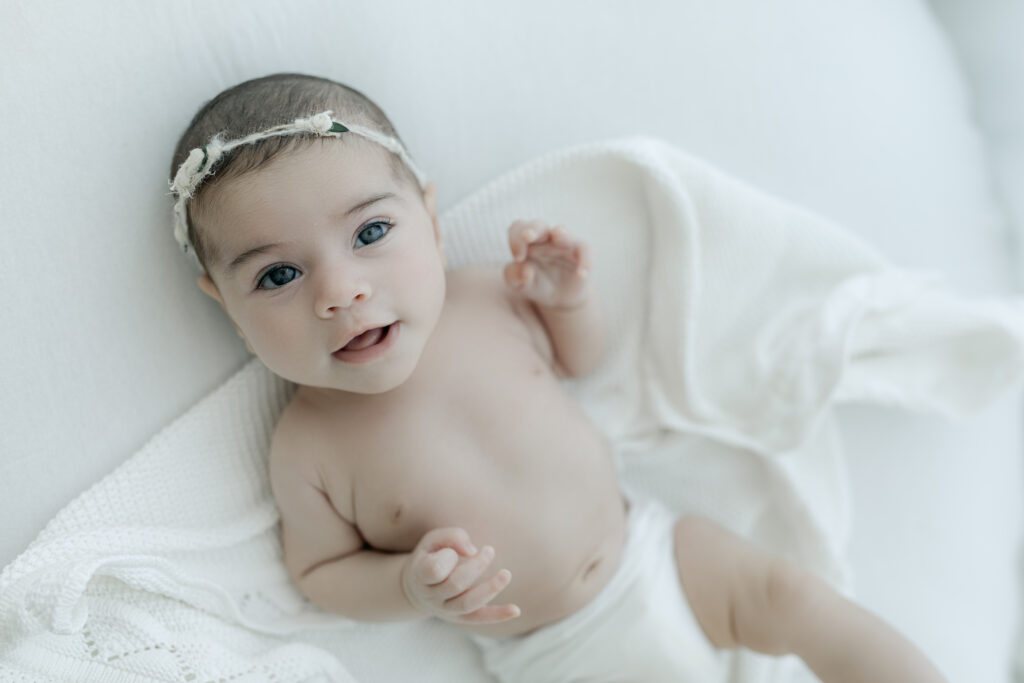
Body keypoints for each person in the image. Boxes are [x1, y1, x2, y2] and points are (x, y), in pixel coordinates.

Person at [169, 72, 947, 682]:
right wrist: (408, 585)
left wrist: (569, 301)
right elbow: (320, 574)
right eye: (277, 276)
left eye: (371, 232)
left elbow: (580, 363)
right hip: (559, 653)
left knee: (796, 600)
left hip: (656, 552)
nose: (341, 290)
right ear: (225, 305)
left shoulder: (481, 297)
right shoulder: (308, 447)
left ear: (433, 223)